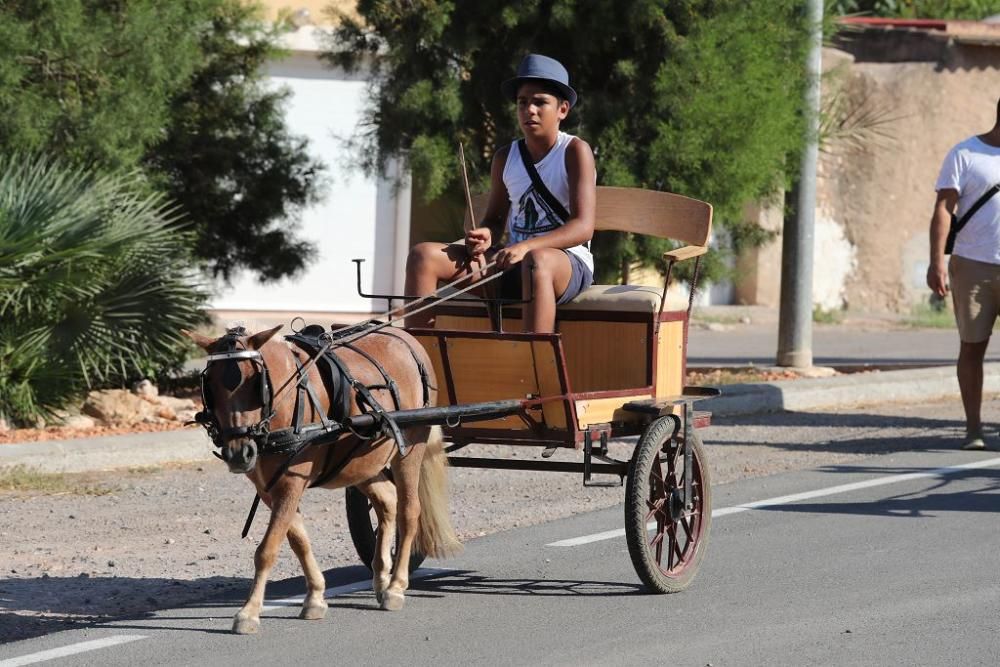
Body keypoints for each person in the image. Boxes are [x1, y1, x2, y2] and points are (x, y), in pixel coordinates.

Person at [404, 53, 596, 333]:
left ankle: (534, 365)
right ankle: (418, 365)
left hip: (564, 263)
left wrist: (526, 246)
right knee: (423, 256)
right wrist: (486, 234)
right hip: (512, 262)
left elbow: (583, 227)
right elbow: (495, 219)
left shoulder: (574, 151)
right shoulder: (506, 157)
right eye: (522, 102)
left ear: (563, 110)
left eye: (540, 102)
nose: (530, 109)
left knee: (537, 261)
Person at [926, 97, 1000, 451]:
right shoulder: (965, 154)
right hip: (973, 264)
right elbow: (944, 209)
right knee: (973, 346)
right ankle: (974, 429)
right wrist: (937, 261)